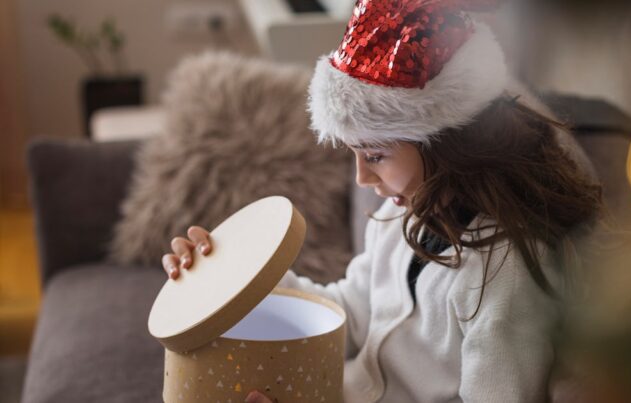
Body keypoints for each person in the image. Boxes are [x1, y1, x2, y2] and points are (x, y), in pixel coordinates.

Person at [162, 0, 602, 401]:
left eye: (375, 155)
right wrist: (236, 277)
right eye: (354, 154)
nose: (361, 177)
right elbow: (351, 313)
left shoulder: (504, 271)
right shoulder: (398, 215)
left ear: (447, 145)